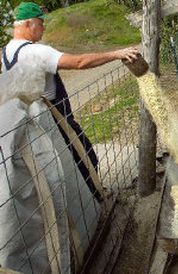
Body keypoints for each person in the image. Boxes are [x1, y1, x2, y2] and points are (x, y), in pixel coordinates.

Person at [1, 2, 141, 201]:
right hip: (57, 117)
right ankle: (97, 199)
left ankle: (81, 200)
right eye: (41, 23)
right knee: (85, 156)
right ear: (29, 24)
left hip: (34, 120)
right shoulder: (36, 51)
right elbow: (79, 62)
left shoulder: (7, 52)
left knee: (57, 165)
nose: (43, 28)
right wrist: (116, 53)